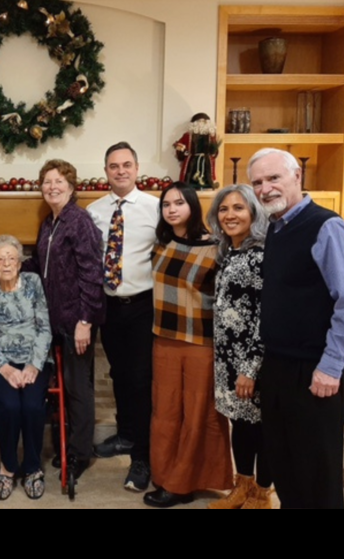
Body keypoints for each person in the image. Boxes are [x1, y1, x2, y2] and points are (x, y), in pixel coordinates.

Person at [248, 148, 344, 509]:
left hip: (316, 371)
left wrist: (331, 367)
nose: (266, 188)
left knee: (316, 474)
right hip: (279, 367)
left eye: (274, 178)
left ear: (297, 177)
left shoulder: (326, 226)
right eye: (258, 182)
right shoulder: (276, 227)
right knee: (286, 468)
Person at [143, 181, 233, 508]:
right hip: (164, 339)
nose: (171, 209)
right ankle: (165, 475)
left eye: (179, 203)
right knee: (165, 411)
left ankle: (184, 484)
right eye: (166, 204)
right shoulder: (161, 245)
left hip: (200, 341)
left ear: (192, 206)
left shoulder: (216, 246)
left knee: (198, 413)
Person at [22, 159, 104, 479]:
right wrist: (9, 269)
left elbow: (92, 273)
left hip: (76, 320)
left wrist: (85, 320)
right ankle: (64, 445)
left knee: (77, 387)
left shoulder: (79, 221)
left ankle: (80, 454)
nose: (52, 187)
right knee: (58, 386)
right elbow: (41, 265)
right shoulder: (50, 222)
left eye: (59, 181)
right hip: (52, 318)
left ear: (71, 187)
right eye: (47, 182)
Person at [87, 141, 160, 492]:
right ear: (106, 171)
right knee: (118, 375)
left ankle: (142, 458)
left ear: (136, 168)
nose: (120, 171)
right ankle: (126, 435)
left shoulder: (156, 207)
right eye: (114, 166)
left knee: (141, 382)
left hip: (143, 306)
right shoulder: (94, 210)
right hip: (109, 307)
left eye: (126, 165)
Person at [205, 184, 273, 509]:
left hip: (252, 362)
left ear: (253, 213)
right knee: (242, 425)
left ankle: (261, 493)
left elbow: (265, 316)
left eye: (238, 208)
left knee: (261, 428)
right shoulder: (228, 252)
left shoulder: (260, 255)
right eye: (224, 209)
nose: (230, 215)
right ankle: (242, 487)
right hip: (227, 360)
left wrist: (250, 369)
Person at [0, 235, 53, 500]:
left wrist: (34, 364)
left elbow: (44, 327)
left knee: (31, 405)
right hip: (0, 363)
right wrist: (4, 368)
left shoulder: (33, 283)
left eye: (11, 258)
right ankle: (7, 467)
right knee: (8, 406)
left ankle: (32, 467)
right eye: (0, 259)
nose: (6, 263)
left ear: (20, 263)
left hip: (35, 360)